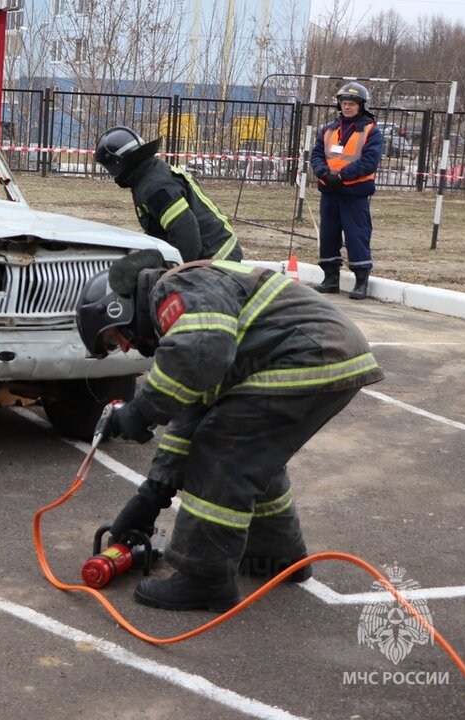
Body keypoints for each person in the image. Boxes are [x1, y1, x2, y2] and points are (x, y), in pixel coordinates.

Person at [75, 249, 384, 612]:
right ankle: (275, 556)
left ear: (121, 309)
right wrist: (151, 497)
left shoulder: (174, 288)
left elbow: (197, 355)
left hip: (307, 353)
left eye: (115, 340)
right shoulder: (194, 301)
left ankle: (204, 580)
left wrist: (138, 412)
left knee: (222, 454)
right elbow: (190, 416)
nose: (125, 349)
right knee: (251, 457)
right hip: (326, 353)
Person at [95, 126, 242, 263]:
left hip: (216, 260)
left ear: (116, 163)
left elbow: (186, 235)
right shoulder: (150, 173)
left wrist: (174, 273)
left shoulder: (155, 188)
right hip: (215, 252)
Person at [310, 82, 384, 300]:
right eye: (344, 103)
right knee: (328, 236)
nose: (347, 107)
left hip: (354, 194)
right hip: (330, 192)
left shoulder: (371, 131)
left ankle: (361, 281)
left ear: (361, 106)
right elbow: (316, 155)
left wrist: (341, 176)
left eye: (351, 104)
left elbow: (369, 162)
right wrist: (324, 174)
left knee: (357, 235)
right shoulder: (328, 130)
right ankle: (330, 278)